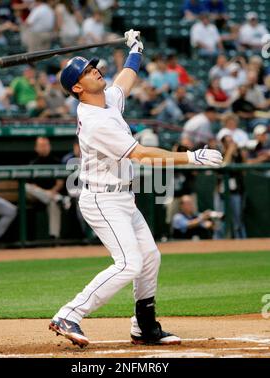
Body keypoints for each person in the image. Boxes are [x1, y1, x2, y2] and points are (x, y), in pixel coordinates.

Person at [49, 29, 223, 348]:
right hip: (102, 198)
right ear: (77, 87)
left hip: (122, 197)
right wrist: (191, 156)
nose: (96, 70)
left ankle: (144, 326)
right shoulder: (96, 120)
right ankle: (68, 314)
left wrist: (136, 50)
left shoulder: (106, 102)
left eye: (94, 67)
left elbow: (125, 80)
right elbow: (142, 154)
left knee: (150, 258)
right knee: (129, 263)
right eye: (87, 71)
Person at [26, 137, 70, 239]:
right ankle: (59, 198)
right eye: (41, 146)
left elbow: (60, 183)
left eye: (45, 145)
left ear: (49, 147)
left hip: (52, 193)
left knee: (53, 203)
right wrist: (46, 193)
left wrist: (52, 191)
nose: (44, 148)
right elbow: (31, 185)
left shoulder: (56, 161)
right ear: (36, 148)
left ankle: (54, 236)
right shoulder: (33, 163)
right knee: (26, 187)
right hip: (36, 196)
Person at [214, 132, 247, 239]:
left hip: (236, 191)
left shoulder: (237, 155)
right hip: (222, 193)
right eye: (228, 142)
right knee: (221, 218)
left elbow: (245, 170)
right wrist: (230, 150)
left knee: (238, 219)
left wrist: (239, 152)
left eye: (231, 141)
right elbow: (224, 165)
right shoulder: (218, 154)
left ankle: (242, 241)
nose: (231, 144)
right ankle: (219, 242)